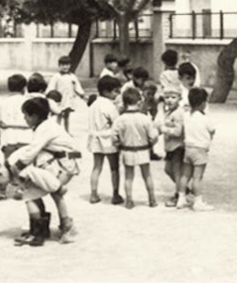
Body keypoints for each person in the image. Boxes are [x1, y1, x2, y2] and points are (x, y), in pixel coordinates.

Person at [0, 97, 81, 246]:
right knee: (38, 190)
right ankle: (50, 227)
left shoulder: (46, 128)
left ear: (35, 116)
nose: (24, 119)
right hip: (60, 159)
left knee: (44, 192)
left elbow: (33, 150)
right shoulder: (43, 127)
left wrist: (18, 167)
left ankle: (61, 227)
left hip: (67, 162)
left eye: (26, 115)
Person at [112, 87, 159, 209]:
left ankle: (128, 200)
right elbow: (153, 136)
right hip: (143, 149)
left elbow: (113, 137)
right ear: (139, 102)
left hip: (127, 150)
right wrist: (151, 144)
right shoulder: (145, 118)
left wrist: (118, 144)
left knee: (128, 176)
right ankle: (152, 199)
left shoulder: (119, 120)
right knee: (147, 175)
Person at [175, 87, 217, 211]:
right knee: (197, 177)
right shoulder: (204, 118)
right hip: (200, 150)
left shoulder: (186, 116)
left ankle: (181, 198)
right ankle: (198, 201)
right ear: (203, 103)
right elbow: (212, 130)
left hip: (188, 148)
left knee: (185, 175)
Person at [86, 75, 123, 205]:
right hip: (108, 139)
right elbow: (117, 123)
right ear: (107, 91)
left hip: (95, 138)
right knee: (114, 168)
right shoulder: (109, 106)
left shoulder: (93, 104)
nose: (117, 94)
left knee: (96, 167)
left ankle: (93, 194)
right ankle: (116, 194)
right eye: (115, 91)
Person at [154, 86, 186, 206]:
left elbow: (178, 132)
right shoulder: (169, 112)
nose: (170, 100)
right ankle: (183, 188)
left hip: (178, 146)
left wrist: (163, 129)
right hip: (170, 146)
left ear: (179, 98)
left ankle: (179, 195)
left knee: (177, 172)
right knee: (168, 170)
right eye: (167, 97)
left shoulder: (179, 113)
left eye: (173, 97)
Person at [47, 55, 86, 133]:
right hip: (59, 100)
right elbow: (51, 88)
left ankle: (66, 131)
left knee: (67, 116)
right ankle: (57, 131)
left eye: (67, 65)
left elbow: (77, 86)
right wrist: (50, 95)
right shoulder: (56, 77)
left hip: (68, 99)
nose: (65, 67)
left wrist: (81, 93)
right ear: (59, 66)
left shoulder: (72, 76)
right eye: (63, 65)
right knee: (58, 115)